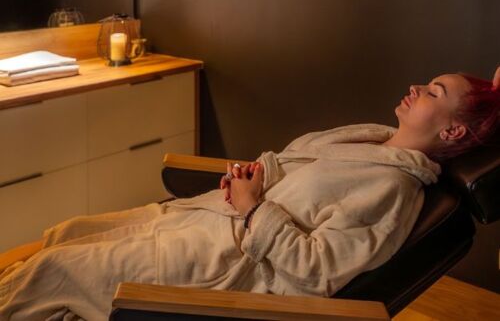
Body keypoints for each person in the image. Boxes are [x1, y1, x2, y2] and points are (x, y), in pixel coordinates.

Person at [1, 69, 499, 321]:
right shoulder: (372, 139)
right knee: (66, 236)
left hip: (227, 263)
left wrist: (254, 207)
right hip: (208, 220)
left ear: (453, 132)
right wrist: (254, 178)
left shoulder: (393, 188)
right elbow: (295, 171)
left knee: (55, 269)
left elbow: (318, 271)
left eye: (433, 92)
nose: (416, 87)